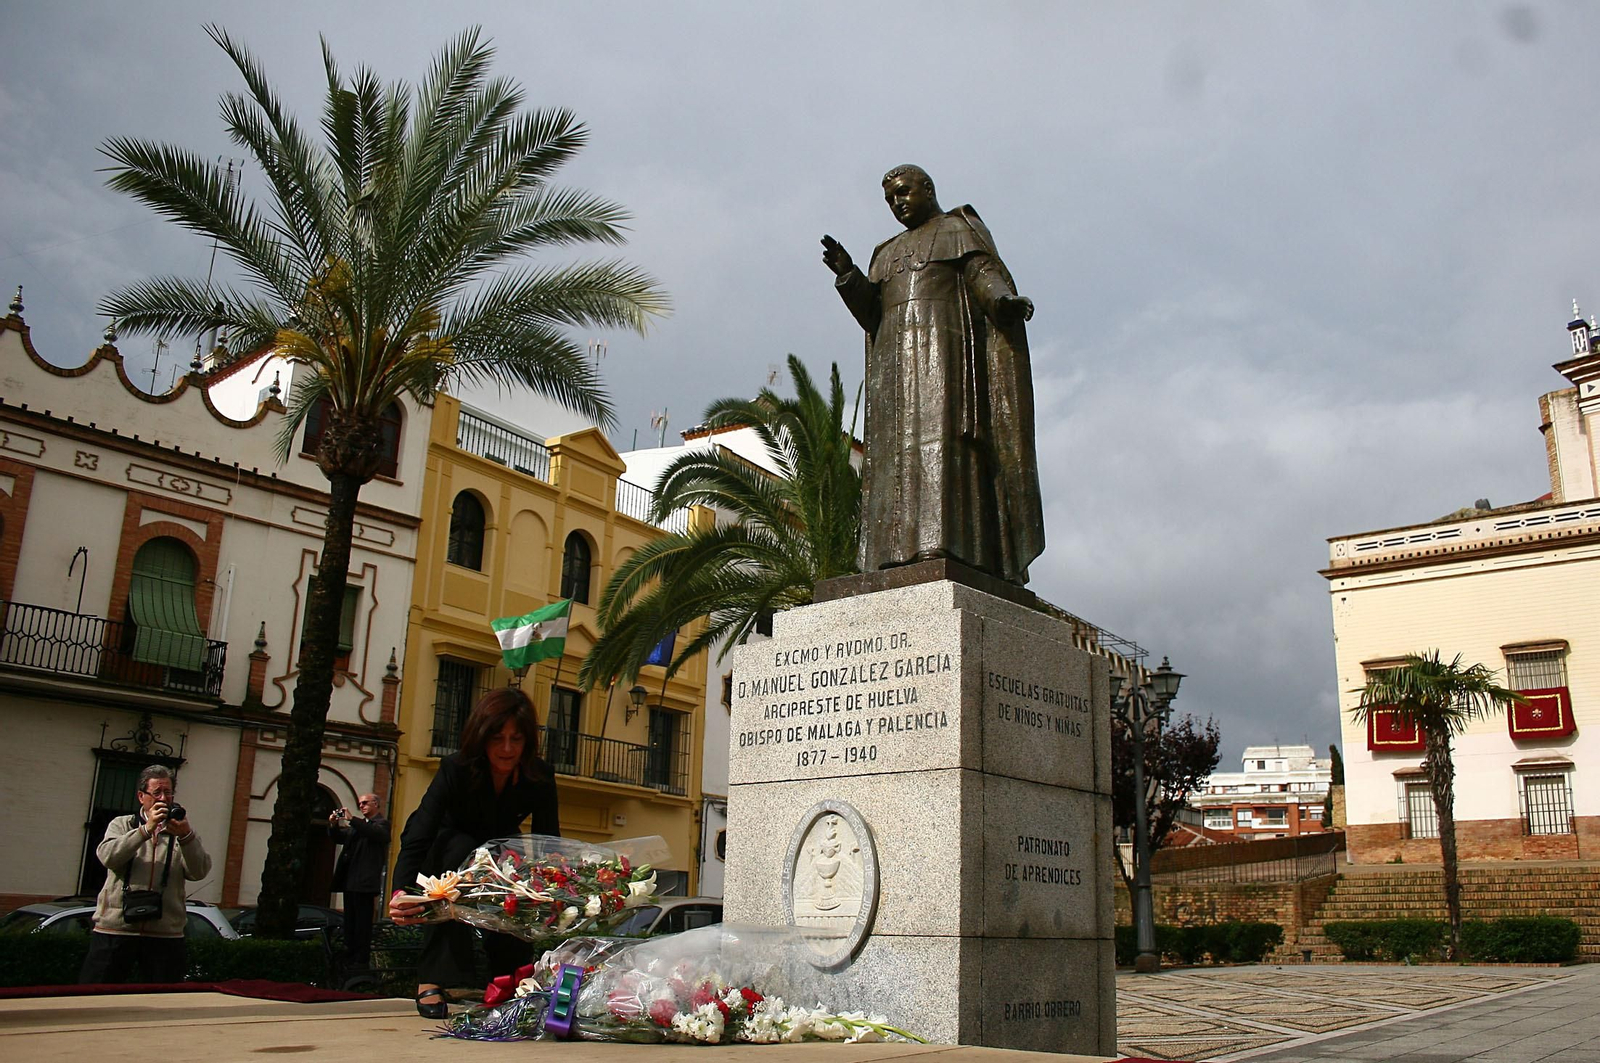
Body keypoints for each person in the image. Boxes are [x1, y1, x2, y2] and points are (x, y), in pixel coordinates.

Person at [822, 164, 1045, 586]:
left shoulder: (957, 229)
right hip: (895, 371)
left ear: (928, 189)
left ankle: (946, 547)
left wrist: (1005, 302)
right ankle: (892, 554)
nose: (897, 204)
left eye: (904, 193)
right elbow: (872, 313)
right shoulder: (885, 252)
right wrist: (848, 275)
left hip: (945, 360)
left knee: (944, 448)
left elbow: (984, 277)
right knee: (895, 457)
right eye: (889, 199)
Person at [389, 687, 559, 1018]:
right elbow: (422, 830)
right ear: (481, 737)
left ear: (527, 742)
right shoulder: (456, 767)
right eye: (497, 738)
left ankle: (510, 979)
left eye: (516, 739)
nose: (507, 748)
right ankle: (432, 980)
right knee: (459, 864)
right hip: (446, 847)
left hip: (500, 849)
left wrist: (552, 889)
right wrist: (401, 889)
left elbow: (548, 840)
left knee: (516, 875)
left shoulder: (539, 776)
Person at [80, 764, 212, 984]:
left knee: (164, 1001)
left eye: (168, 793)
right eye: (157, 793)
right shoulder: (122, 824)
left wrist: (186, 836)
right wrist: (145, 830)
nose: (163, 799)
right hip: (116, 930)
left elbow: (199, 872)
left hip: (165, 934)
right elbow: (108, 858)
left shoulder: (180, 831)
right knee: (95, 996)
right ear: (142, 796)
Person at [328, 792, 389, 968]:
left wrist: (352, 819)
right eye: (359, 803)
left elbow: (375, 834)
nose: (361, 806)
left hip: (365, 884)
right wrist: (333, 824)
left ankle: (360, 961)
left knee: (362, 925)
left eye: (365, 803)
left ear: (376, 804)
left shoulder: (381, 824)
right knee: (350, 924)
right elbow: (340, 837)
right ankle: (349, 957)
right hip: (351, 882)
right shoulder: (358, 828)